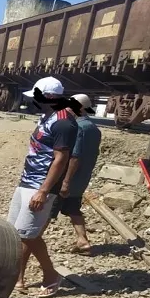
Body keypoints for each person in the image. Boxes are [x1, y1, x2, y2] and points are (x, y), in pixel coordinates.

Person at [8, 77, 78, 298]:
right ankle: (16, 277)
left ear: (48, 97)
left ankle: (50, 275)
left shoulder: (63, 122)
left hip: (40, 185)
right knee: (15, 232)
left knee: (27, 234)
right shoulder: (47, 116)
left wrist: (43, 190)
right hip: (28, 181)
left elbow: (61, 158)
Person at [49, 93, 101, 255]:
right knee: (73, 208)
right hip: (82, 178)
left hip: (68, 178)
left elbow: (75, 157)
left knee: (48, 209)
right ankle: (83, 241)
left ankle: (30, 243)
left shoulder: (78, 128)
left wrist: (65, 181)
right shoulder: (94, 129)